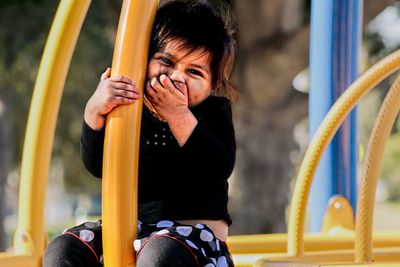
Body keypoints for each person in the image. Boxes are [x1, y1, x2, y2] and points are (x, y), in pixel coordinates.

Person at [43, 0, 237, 266]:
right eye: (166, 61)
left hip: (192, 240)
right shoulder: (130, 110)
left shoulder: (212, 111)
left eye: (193, 71)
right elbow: (98, 165)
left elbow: (217, 167)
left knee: (161, 252)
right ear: (143, 61)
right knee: (62, 250)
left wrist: (178, 114)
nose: (176, 77)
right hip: (128, 232)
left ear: (212, 84)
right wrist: (95, 111)